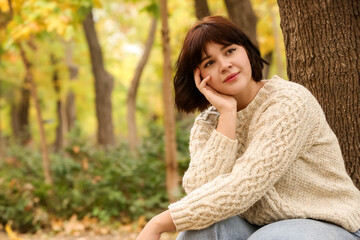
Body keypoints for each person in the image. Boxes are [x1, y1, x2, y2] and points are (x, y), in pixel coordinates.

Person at [136, 16, 360, 240]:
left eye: (230, 50)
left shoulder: (289, 103)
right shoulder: (207, 122)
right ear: (200, 77)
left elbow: (244, 185)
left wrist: (158, 223)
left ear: (246, 50)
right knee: (199, 229)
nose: (225, 65)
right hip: (261, 227)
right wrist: (227, 116)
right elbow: (199, 192)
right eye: (209, 63)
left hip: (331, 223)